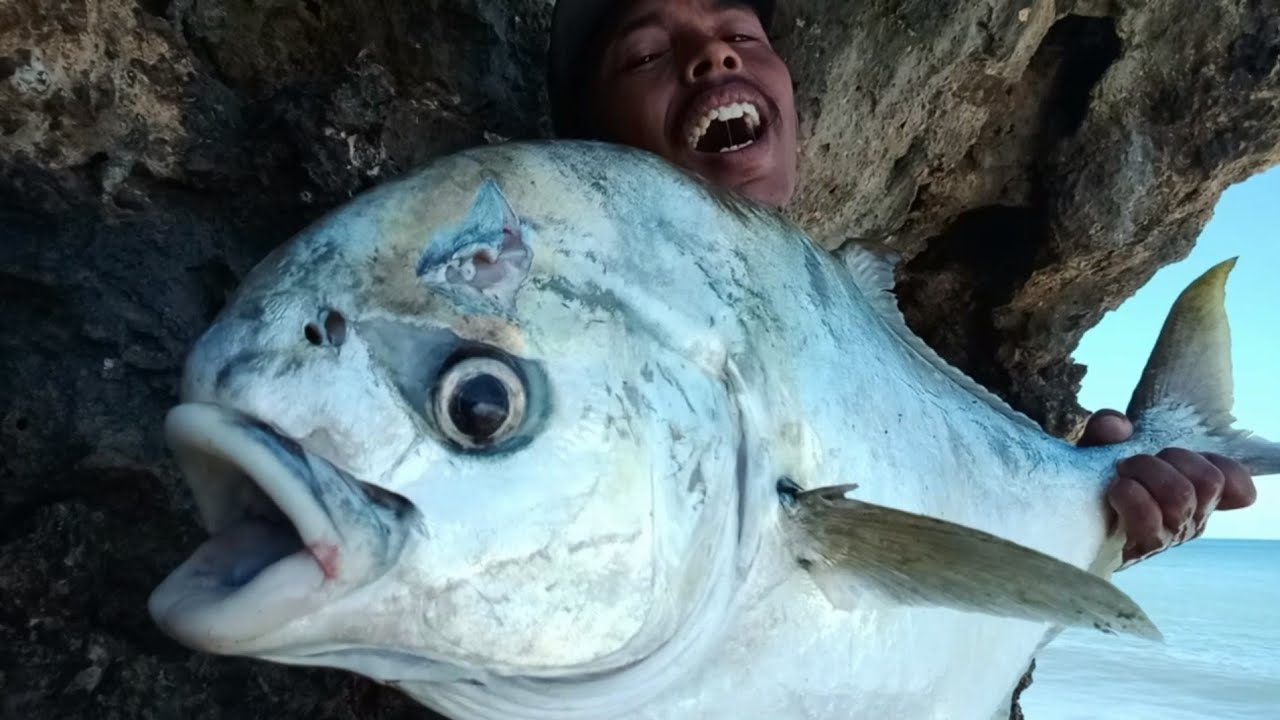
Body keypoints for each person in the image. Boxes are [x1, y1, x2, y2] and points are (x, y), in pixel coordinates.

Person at [543, 0, 1257, 568]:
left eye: (743, 35)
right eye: (644, 54)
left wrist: (1095, 534)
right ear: (590, 143)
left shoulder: (848, 324)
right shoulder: (569, 340)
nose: (715, 53)